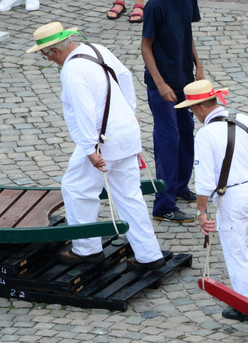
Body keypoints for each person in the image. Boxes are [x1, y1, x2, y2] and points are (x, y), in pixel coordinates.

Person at [28, 22, 165, 269]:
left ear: (55, 52)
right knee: (129, 195)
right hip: (126, 133)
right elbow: (124, 75)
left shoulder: (71, 70)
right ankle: (149, 254)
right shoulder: (96, 49)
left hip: (103, 141)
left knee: (76, 188)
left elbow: (83, 112)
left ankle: (87, 249)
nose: (48, 60)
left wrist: (89, 150)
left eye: (46, 56)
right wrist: (131, 109)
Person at [180, 79, 248, 321]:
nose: (194, 115)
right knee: (242, 243)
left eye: (193, 110)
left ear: (200, 108)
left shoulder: (205, 135)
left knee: (236, 250)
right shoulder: (244, 119)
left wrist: (201, 213)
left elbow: (204, 183)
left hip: (234, 199)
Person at [142, 0, 203, 222]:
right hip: (162, 85)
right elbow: (146, 47)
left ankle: (179, 187)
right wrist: (160, 83)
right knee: (168, 140)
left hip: (185, 81)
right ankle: (163, 206)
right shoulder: (155, 5)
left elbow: (187, 34)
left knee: (187, 133)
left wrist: (198, 66)